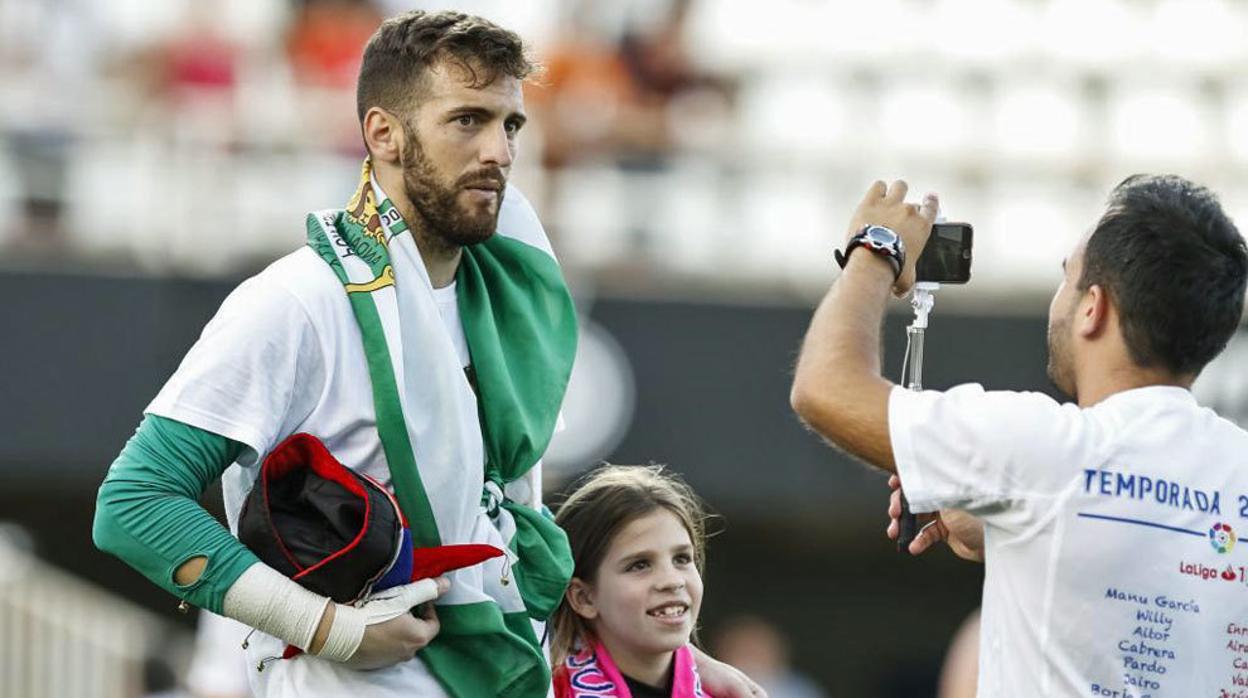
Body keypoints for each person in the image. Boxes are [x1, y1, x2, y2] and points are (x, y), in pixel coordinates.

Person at [94, 10, 761, 698]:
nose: (499, 151)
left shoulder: (507, 297)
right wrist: (329, 628)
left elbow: (500, 533)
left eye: (510, 125)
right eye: (467, 120)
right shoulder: (298, 301)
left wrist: (663, 655)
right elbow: (134, 504)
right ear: (383, 133)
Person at [790, 175, 1248, 696]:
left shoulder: (1043, 444)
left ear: (1093, 308)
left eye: (1066, 279)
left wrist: (876, 249)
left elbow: (825, 388)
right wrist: (1022, 532)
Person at [549, 465, 711, 698]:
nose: (672, 581)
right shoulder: (544, 691)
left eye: (682, 558)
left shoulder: (731, 693)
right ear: (583, 598)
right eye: (640, 565)